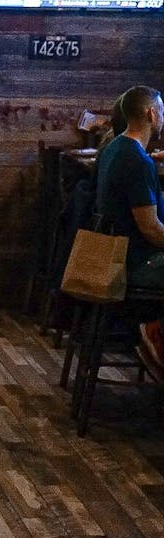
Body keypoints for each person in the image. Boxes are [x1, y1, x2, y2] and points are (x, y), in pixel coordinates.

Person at [93, 85, 164, 370]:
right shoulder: (137, 161)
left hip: (112, 252)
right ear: (151, 114)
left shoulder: (115, 147)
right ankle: (154, 331)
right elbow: (151, 230)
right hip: (133, 262)